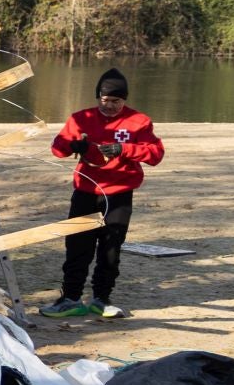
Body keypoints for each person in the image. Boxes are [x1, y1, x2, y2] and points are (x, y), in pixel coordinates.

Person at [42, 68, 164, 319]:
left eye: (116, 102)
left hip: (118, 194)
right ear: (98, 97)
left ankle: (101, 299)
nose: (109, 106)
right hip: (86, 191)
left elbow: (155, 155)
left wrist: (124, 149)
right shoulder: (81, 118)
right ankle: (70, 299)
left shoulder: (139, 121)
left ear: (125, 100)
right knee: (77, 247)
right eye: (105, 101)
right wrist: (71, 145)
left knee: (110, 247)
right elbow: (57, 149)